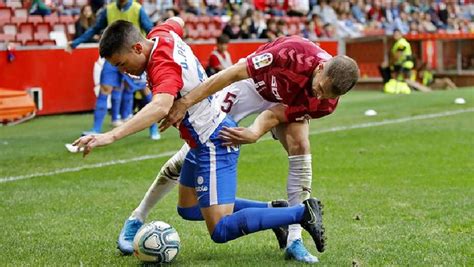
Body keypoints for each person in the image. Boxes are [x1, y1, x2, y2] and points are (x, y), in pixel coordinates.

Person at [73, 18, 326, 263]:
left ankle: (304, 212)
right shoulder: (162, 34)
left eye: (121, 63)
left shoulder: (162, 65)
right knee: (188, 208)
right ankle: (275, 211)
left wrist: (110, 136)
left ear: (138, 48)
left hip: (214, 141)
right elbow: (177, 20)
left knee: (220, 230)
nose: (123, 71)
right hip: (202, 138)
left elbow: (161, 106)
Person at [128, 36, 358, 263]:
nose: (319, 96)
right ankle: (139, 215)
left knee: (301, 145)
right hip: (252, 85)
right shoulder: (292, 52)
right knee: (192, 148)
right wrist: (186, 102)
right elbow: (234, 73)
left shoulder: (325, 103)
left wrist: (255, 132)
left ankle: (295, 239)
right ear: (320, 68)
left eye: (326, 95)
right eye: (319, 88)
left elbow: (276, 113)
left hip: (282, 102)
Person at [66, 0, 160, 140]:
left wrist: (156, 51)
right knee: (104, 89)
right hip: (112, 58)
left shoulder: (137, 9)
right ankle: (96, 128)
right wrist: (75, 43)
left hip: (132, 56)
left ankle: (153, 128)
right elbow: (94, 28)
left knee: (144, 90)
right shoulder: (108, 10)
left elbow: (151, 30)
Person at [383, 29, 413, 94]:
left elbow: (398, 55)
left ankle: (396, 87)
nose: (395, 36)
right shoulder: (397, 43)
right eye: (394, 34)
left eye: (397, 34)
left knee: (387, 70)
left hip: (404, 64)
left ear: (401, 35)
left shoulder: (401, 43)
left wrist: (390, 64)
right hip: (400, 64)